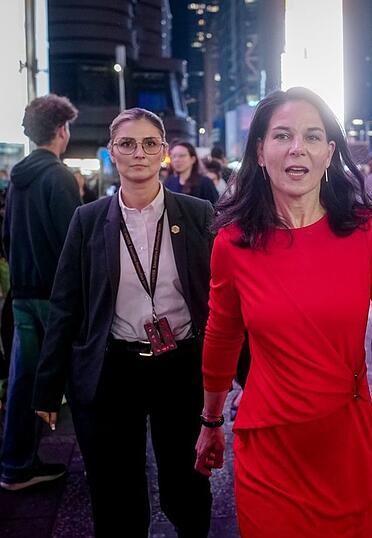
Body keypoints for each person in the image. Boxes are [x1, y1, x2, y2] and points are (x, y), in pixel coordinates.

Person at [194, 87, 372, 537]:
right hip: (268, 446)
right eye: (281, 135)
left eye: (311, 136)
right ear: (261, 152)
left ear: (329, 153)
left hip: (345, 444)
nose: (296, 148)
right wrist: (210, 422)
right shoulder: (233, 242)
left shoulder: (366, 231)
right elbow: (222, 336)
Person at [32, 108, 215, 536]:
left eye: (150, 143)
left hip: (181, 365)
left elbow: (223, 297)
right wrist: (47, 386)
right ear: (113, 151)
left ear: (164, 153)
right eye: (128, 143)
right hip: (113, 367)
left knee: (186, 483)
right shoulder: (88, 219)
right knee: (115, 491)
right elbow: (65, 305)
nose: (140, 153)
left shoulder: (197, 213)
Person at [0, 94, 80, 491]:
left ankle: (16, 465)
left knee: (24, 380)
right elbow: (72, 242)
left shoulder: (17, 178)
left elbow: (7, 236)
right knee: (80, 377)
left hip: (22, 293)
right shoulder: (59, 176)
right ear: (61, 130)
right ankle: (103, 464)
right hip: (54, 296)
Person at [164, 141, 220, 205]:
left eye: (181, 156)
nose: (176, 160)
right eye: (173, 156)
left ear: (193, 159)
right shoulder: (169, 182)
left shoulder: (205, 183)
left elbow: (215, 207)